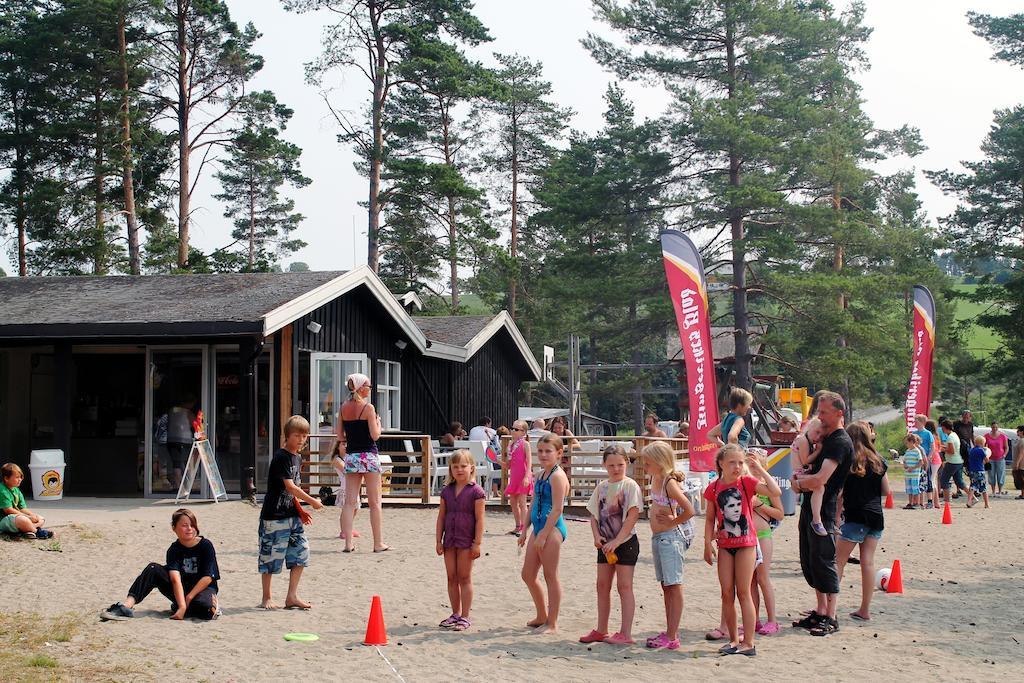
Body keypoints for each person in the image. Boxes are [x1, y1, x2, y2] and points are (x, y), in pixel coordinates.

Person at [704, 444, 781, 656]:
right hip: (725, 546)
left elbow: (775, 491)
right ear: (721, 463)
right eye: (732, 462)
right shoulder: (713, 488)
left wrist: (761, 469)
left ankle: (749, 643)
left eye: (740, 462)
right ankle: (733, 640)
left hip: (746, 544)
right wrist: (706, 544)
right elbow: (710, 519)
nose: (737, 466)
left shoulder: (746, 482)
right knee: (727, 594)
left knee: (744, 592)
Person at [791, 390, 853, 637]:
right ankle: (820, 609)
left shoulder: (839, 442)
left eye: (824, 412)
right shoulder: (826, 440)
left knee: (825, 561)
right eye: (819, 412)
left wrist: (797, 484)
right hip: (810, 507)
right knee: (811, 559)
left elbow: (820, 479)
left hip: (824, 512)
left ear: (839, 413)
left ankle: (832, 615)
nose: (821, 417)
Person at [102, 508, 220, 621]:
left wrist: (188, 598)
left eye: (192, 525)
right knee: (153, 569)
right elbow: (175, 579)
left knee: (206, 610)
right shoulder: (174, 550)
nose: (189, 528)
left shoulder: (206, 545)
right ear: (174, 528)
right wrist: (182, 605)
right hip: (180, 588)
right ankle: (126, 606)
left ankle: (190, 606)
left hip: (202, 588)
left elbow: (208, 577)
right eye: (184, 525)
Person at [579, 444, 643, 646]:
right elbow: (594, 515)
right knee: (602, 586)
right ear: (605, 465)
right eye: (611, 465)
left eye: (620, 464)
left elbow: (633, 516)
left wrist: (617, 541)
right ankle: (601, 629)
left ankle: (626, 632)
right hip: (605, 544)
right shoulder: (602, 487)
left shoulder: (631, 486)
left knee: (624, 586)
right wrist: (596, 536)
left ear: (627, 464)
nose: (616, 469)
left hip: (625, 542)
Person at [259, 415, 323, 609]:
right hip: (274, 516)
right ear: (287, 436)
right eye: (297, 435)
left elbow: (293, 489)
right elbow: (290, 487)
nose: (301, 440)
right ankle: (266, 597)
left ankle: (291, 596)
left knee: (301, 553)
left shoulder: (297, 457)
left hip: (292, 516)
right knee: (270, 556)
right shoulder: (281, 457)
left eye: (305, 436)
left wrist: (300, 510)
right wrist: (312, 501)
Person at [639, 441, 696, 650]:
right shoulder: (657, 477)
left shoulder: (669, 483)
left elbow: (689, 510)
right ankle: (670, 630)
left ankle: (672, 634)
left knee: (673, 585)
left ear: (659, 462)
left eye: (648, 463)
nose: (645, 467)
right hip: (660, 537)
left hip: (670, 538)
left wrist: (671, 522)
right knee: (666, 586)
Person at [835, 421, 890, 622]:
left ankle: (829, 607)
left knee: (837, 561)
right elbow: (886, 491)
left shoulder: (848, 462)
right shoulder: (879, 461)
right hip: (876, 516)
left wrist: (835, 517)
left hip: (855, 516)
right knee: (867, 563)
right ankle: (865, 609)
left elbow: (840, 494)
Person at [519, 433, 569, 635]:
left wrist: (544, 534)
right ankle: (541, 615)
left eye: (548, 451)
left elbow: (557, 509)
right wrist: (525, 530)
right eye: (540, 451)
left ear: (558, 453)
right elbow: (533, 504)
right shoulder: (540, 475)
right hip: (538, 527)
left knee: (550, 576)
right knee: (528, 574)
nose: (543, 455)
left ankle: (553, 622)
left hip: (553, 529)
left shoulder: (558, 476)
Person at [436, 450, 486, 632]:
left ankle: (465, 616)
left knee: (464, 577)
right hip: (449, 539)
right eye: (455, 466)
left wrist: (477, 543)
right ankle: (455, 613)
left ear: (471, 467)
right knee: (451, 577)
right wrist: (438, 540)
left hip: (467, 540)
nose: (459, 470)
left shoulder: (476, 492)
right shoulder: (446, 491)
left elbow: (480, 519)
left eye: (463, 466)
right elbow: (441, 517)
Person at [339, 373, 387, 553]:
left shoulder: (343, 407)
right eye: (368, 385)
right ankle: (378, 543)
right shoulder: (368, 408)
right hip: (368, 455)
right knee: (375, 502)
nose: (370, 388)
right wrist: (378, 424)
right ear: (361, 387)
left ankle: (348, 543)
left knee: (350, 502)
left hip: (352, 456)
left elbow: (339, 435)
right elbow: (375, 435)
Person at [749, 449, 784, 636]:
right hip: (747, 538)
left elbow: (780, 514)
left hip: (763, 536)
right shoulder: (745, 483)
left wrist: (759, 505)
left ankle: (772, 620)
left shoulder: (767, 487)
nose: (752, 467)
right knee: (749, 581)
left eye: (756, 464)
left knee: (762, 578)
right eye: (749, 464)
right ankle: (753, 619)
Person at [793, 418, 828, 535]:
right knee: (819, 487)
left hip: (801, 474)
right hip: (799, 475)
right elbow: (805, 461)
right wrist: (818, 451)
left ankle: (834, 521)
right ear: (810, 427)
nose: (818, 438)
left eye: (821, 436)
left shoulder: (806, 440)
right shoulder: (803, 440)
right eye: (817, 432)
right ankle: (817, 520)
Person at [0, 463, 52, 539]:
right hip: (3, 520)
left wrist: (32, 516)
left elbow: (22, 508)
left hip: (15, 518)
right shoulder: (2, 490)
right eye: (17, 477)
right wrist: (28, 518)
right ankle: (37, 532)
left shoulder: (16, 490)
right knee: (23, 520)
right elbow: (8, 510)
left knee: (40, 518)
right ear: (6, 478)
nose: (20, 479)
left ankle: (27, 530)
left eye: (20, 477)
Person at [505, 420, 534, 536]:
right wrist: (496, 460)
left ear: (523, 432)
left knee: (522, 503)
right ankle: (518, 526)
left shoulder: (525, 444)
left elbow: (529, 462)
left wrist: (527, 476)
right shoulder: (511, 445)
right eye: (512, 428)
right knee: (513, 502)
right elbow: (508, 465)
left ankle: (524, 527)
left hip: (523, 476)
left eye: (516, 429)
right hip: (514, 477)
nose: (513, 431)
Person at [328, 439, 360, 541]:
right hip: (345, 488)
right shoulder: (337, 460)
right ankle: (343, 531)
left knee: (355, 509)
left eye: (347, 444)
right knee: (346, 510)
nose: (346, 446)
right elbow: (346, 470)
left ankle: (348, 528)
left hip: (354, 487)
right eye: (343, 444)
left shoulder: (349, 457)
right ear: (338, 446)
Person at [939, 418, 968, 507]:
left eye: (942, 427)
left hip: (952, 462)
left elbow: (952, 451)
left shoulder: (950, 437)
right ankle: (972, 497)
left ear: (944, 427)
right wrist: (944, 446)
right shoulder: (954, 435)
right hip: (959, 461)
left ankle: (947, 500)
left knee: (944, 480)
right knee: (959, 481)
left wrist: (942, 449)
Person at [914, 415, 938, 509]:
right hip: (917, 459)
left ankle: (930, 501)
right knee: (918, 480)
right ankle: (919, 502)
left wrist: (929, 457)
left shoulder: (928, 433)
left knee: (927, 479)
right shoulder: (914, 433)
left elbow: (933, 447)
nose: (915, 423)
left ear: (922, 422)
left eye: (917, 421)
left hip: (925, 459)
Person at [983, 422, 1009, 496]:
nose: (994, 428)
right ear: (991, 427)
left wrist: (1004, 455)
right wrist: (985, 456)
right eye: (993, 427)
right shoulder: (986, 436)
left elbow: (1006, 447)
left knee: (1001, 475)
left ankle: (1000, 491)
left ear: (998, 427)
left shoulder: (1003, 436)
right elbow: (984, 447)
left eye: (996, 427)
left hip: (1000, 458)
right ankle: (993, 491)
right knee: (991, 474)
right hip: (990, 459)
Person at [900, 433, 924, 509]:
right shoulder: (907, 451)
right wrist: (905, 464)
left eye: (907, 443)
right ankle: (910, 503)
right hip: (908, 474)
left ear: (911, 442)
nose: (906, 444)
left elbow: (921, 462)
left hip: (914, 474)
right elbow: (904, 460)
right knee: (909, 489)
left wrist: (913, 468)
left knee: (915, 489)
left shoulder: (917, 451)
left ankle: (916, 503)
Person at [966, 436, 991, 509]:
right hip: (980, 470)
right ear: (982, 443)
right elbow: (986, 460)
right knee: (983, 488)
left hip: (972, 471)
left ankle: (969, 501)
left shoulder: (971, 450)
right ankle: (986, 504)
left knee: (972, 486)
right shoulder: (981, 450)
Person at [1012, 426, 1024, 499]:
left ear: (1022, 432)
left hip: (1021, 464)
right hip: (1020, 463)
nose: (1017, 432)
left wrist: (1017, 463)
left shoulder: (1022, 441)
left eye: (1018, 431)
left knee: (1021, 480)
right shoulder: (1020, 440)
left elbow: (1021, 453)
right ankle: (1022, 493)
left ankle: (1023, 494)